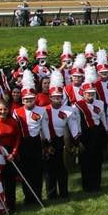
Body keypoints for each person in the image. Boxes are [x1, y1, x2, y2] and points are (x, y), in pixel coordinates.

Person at [13, 71, 49, 204]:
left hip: (36, 143)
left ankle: (38, 195)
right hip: (23, 143)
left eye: (31, 99)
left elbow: (44, 128)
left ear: (35, 98)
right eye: (26, 99)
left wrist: (46, 142)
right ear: (23, 100)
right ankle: (28, 197)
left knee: (37, 171)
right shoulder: (16, 112)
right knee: (26, 172)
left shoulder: (41, 110)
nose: (29, 101)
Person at [44, 71, 77, 199]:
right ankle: (51, 194)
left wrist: (75, 141)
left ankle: (64, 192)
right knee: (49, 170)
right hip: (49, 142)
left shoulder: (68, 110)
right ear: (50, 97)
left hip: (63, 141)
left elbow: (73, 126)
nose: (57, 99)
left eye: (59, 97)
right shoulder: (44, 110)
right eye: (54, 97)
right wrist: (46, 145)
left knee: (63, 168)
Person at [0, 100, 22, 212]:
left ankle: (11, 205)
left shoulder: (13, 122)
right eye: (0, 109)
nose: (3, 111)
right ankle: (1, 205)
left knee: (10, 181)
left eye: (5, 109)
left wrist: (14, 153)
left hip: (10, 154)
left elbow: (18, 138)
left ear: (8, 110)